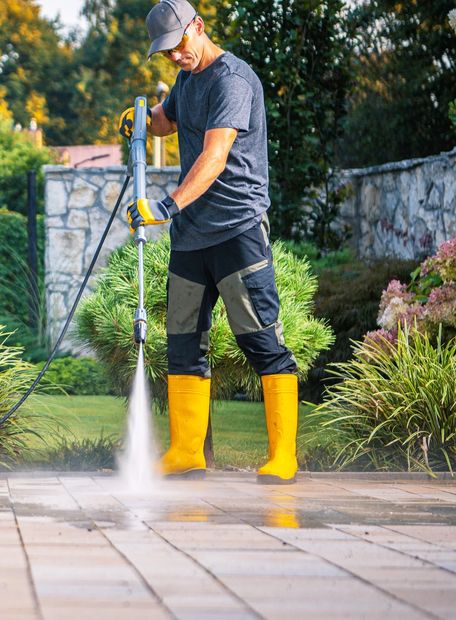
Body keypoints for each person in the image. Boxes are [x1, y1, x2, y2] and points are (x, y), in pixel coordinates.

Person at [118, 0, 299, 484]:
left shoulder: (232, 80)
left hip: (237, 229)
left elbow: (215, 155)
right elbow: (168, 119)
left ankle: (284, 456)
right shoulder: (188, 79)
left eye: (179, 46)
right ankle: (185, 451)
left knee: (263, 341)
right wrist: (141, 118)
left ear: (198, 27)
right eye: (166, 53)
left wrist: (167, 205)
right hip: (192, 239)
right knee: (182, 343)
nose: (175, 57)